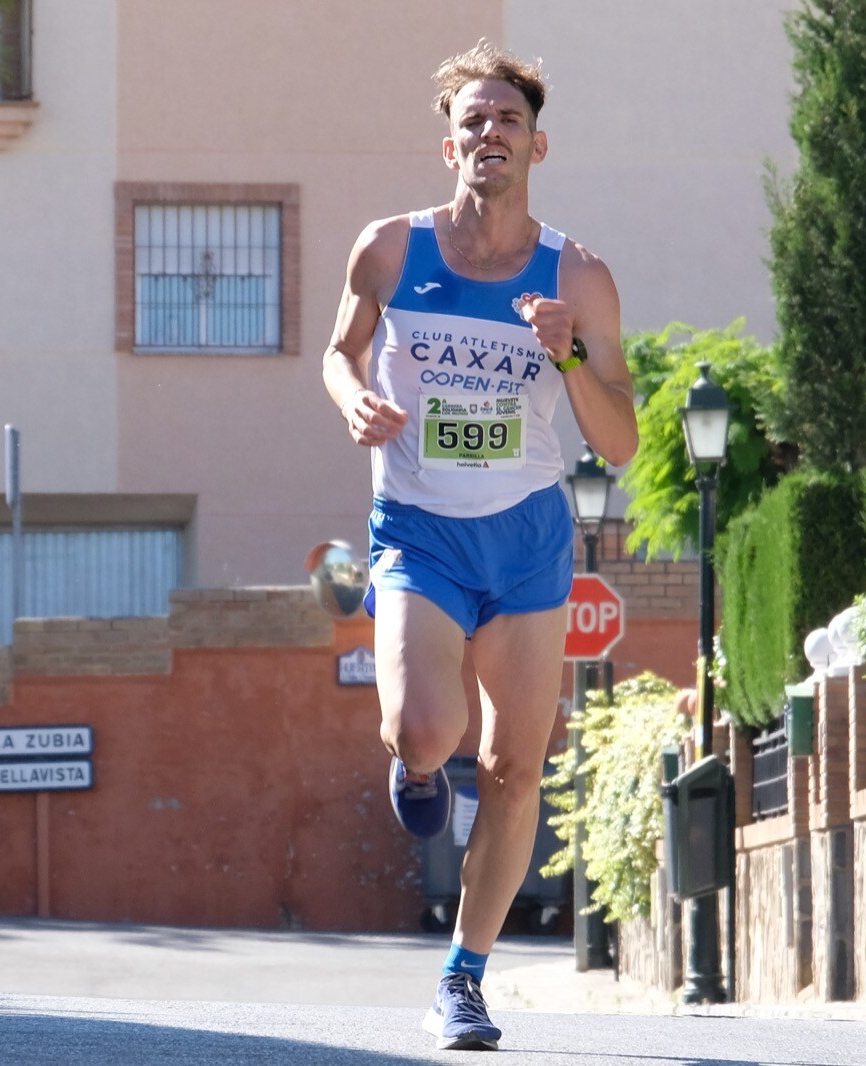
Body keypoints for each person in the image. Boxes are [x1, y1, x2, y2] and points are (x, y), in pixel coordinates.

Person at [322, 41, 638, 1051]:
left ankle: (464, 974)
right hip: (417, 528)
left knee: (512, 768)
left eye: (506, 120)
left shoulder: (578, 276)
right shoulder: (388, 248)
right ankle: (413, 770)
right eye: (471, 119)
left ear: (535, 145)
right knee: (424, 730)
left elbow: (620, 437)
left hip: (527, 539)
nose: (488, 133)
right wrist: (353, 399)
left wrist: (572, 351)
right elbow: (339, 349)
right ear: (447, 141)